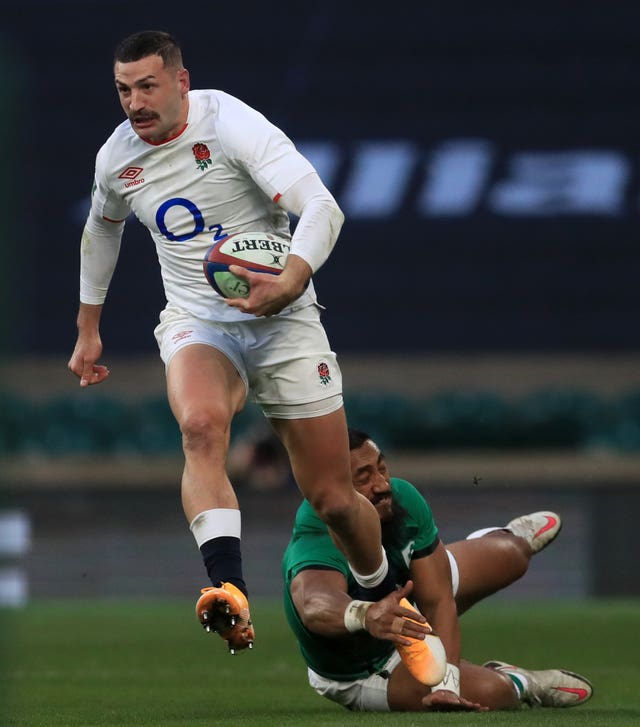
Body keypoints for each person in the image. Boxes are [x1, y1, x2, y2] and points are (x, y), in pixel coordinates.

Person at [67, 30, 399, 656]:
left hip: (285, 317)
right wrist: (89, 326)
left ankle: (385, 586)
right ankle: (228, 590)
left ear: (181, 82)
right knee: (199, 426)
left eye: (147, 86)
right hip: (200, 319)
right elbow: (101, 232)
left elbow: (322, 207)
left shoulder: (231, 125)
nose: (134, 102)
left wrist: (291, 280)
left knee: (332, 497)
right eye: (122, 89)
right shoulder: (116, 159)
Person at [282, 428, 593, 712]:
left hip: (407, 600)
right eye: (364, 477)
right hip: (365, 665)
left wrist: (449, 684)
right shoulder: (317, 530)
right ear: (335, 488)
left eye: (381, 467)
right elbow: (313, 604)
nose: (382, 484)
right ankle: (520, 682)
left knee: (512, 555)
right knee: (494, 693)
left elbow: (439, 599)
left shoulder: (403, 498)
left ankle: (501, 539)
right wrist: (365, 615)